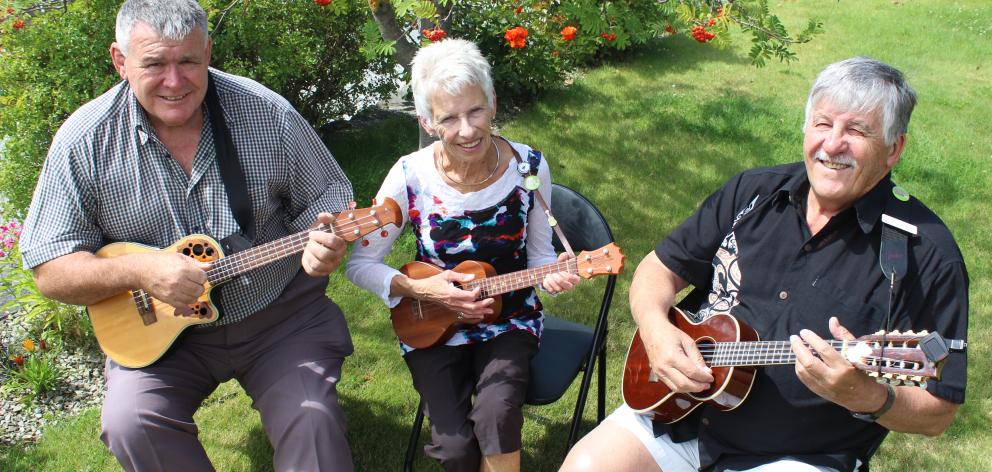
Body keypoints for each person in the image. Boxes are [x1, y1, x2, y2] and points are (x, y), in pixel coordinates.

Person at [561, 57, 968, 472]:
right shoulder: (754, 191)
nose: (832, 145)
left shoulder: (925, 255)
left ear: (894, 148)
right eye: (823, 124)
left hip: (796, 456)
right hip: (677, 416)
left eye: (857, 131)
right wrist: (655, 329)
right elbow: (657, 269)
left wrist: (869, 397)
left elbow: (938, 410)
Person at [19, 1, 356, 470]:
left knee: (313, 422)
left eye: (188, 62)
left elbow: (329, 196)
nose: (174, 83)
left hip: (278, 316)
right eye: (154, 63)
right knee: (131, 423)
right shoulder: (84, 141)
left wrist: (324, 240)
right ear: (120, 61)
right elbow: (50, 269)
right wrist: (142, 269)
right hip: (162, 339)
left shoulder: (265, 112)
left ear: (208, 53)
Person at [345, 38, 580, 472]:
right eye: (449, 118)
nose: (467, 130)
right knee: (454, 450)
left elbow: (540, 256)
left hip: (510, 320)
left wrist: (554, 274)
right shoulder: (408, 176)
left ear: (492, 102)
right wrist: (421, 288)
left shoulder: (528, 168)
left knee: (497, 416)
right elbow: (359, 265)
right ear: (427, 121)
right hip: (430, 324)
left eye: (475, 111)